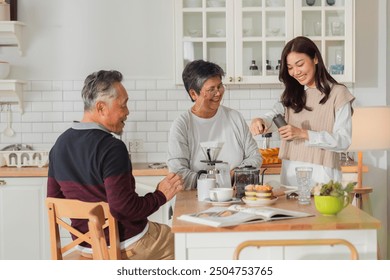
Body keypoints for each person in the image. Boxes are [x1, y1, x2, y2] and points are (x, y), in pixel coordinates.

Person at [47, 70, 183, 260]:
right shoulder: (111, 148)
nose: (127, 112)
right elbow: (124, 209)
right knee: (182, 242)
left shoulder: (59, 145)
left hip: (85, 249)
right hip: (125, 246)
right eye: (123, 105)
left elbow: (54, 199)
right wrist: (160, 195)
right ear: (101, 108)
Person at [250, 36, 355, 186]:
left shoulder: (338, 93)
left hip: (323, 175)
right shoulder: (292, 95)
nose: (295, 72)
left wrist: (303, 133)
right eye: (290, 67)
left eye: (300, 64)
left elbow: (343, 141)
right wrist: (260, 121)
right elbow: (273, 116)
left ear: (315, 59)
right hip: (290, 174)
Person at [167, 60, 262, 189]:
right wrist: (220, 179)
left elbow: (255, 157)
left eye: (219, 86)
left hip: (236, 199)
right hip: (196, 199)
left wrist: (236, 173)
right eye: (211, 89)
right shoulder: (182, 125)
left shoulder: (235, 118)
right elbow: (179, 173)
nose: (218, 93)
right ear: (193, 94)